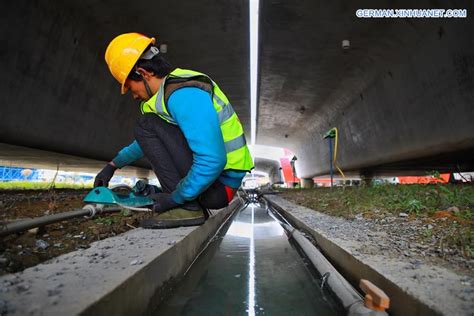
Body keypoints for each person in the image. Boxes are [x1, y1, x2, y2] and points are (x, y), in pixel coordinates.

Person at [94, 33, 254, 227]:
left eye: (130, 87)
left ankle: (188, 208)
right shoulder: (167, 96)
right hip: (216, 184)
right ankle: (186, 201)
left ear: (144, 73)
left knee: (146, 124)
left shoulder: (184, 95)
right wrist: (112, 165)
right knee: (148, 125)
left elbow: (213, 159)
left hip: (220, 187)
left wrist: (176, 198)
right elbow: (150, 142)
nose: (134, 96)